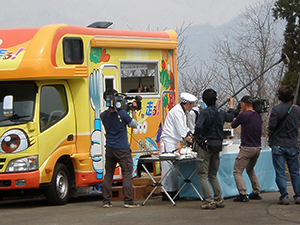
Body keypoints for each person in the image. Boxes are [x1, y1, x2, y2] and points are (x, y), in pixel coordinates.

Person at [194, 88, 235, 209]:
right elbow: (230, 117)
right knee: (213, 174)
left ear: (204, 101)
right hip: (217, 146)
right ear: (216, 100)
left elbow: (198, 127)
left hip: (205, 146)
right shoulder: (221, 112)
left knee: (202, 174)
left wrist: (195, 136)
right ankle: (219, 198)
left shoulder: (204, 113)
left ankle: (209, 200)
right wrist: (231, 105)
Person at [100, 89, 140, 208]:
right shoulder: (122, 114)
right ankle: (128, 201)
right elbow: (134, 124)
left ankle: (106, 201)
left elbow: (113, 117)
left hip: (110, 148)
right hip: (122, 148)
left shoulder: (103, 115)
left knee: (109, 174)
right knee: (127, 173)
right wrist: (133, 111)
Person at [160, 92, 197, 200]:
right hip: (168, 142)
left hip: (174, 142)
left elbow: (185, 128)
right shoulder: (177, 111)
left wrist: (190, 134)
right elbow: (181, 129)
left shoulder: (182, 111)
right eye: (193, 104)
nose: (193, 106)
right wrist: (189, 137)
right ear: (188, 103)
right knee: (168, 169)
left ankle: (173, 192)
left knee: (173, 169)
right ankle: (167, 193)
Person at [267, 85, 300, 205]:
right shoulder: (297, 110)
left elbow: (271, 126)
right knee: (295, 172)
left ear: (279, 97)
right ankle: (298, 195)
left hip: (278, 144)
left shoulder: (276, 110)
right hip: (292, 144)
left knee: (280, 171)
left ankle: (284, 196)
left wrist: (269, 131)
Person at [231, 95, 263, 202]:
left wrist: (237, 113)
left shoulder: (243, 115)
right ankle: (256, 191)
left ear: (243, 104)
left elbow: (233, 125)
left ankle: (242, 193)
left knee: (237, 171)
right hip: (257, 148)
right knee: (250, 169)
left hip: (247, 148)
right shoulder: (258, 115)